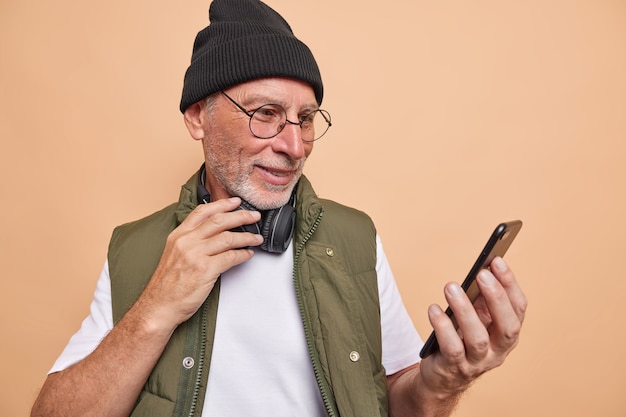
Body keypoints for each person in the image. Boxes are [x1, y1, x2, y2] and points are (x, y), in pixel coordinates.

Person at [30, 1, 527, 416]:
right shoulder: (134, 247)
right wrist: (158, 306)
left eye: (306, 119)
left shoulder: (355, 236)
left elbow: (399, 401)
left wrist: (441, 383)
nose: (294, 145)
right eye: (266, 113)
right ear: (198, 116)